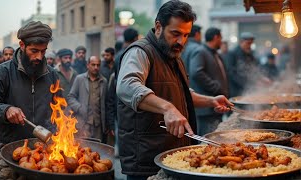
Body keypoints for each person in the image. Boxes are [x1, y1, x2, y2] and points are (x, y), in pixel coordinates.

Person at [116, 1, 232, 179]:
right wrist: (167, 108)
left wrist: (210, 101)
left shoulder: (173, 56)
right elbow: (126, 86)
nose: (181, 41)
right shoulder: (140, 51)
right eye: (175, 34)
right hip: (146, 160)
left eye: (186, 35)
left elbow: (181, 94)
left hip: (171, 154)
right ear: (158, 27)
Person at [0, 21, 60, 144]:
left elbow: (60, 110)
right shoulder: (3, 72)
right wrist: (5, 110)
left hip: (45, 149)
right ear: (22, 45)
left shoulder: (52, 74)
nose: (39, 57)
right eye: (34, 51)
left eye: (43, 51)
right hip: (12, 147)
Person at [189, 27, 228, 136]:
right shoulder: (201, 51)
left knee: (215, 136)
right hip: (206, 108)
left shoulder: (214, 53)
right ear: (216, 37)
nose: (222, 41)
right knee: (207, 138)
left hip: (216, 104)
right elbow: (196, 73)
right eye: (221, 38)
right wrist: (215, 87)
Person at [68, 56, 109, 142]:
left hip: (98, 125)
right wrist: (79, 107)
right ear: (88, 65)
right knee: (82, 149)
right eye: (93, 65)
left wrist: (107, 124)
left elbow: (107, 103)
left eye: (98, 65)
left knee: (97, 150)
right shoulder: (80, 79)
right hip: (83, 123)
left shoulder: (104, 81)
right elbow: (71, 97)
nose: (96, 67)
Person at [227, 32, 271, 97]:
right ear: (241, 42)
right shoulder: (232, 54)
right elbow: (232, 74)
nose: (250, 46)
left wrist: (262, 78)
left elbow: (255, 69)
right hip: (237, 91)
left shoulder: (250, 54)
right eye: (248, 43)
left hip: (249, 90)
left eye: (251, 43)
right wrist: (250, 84)